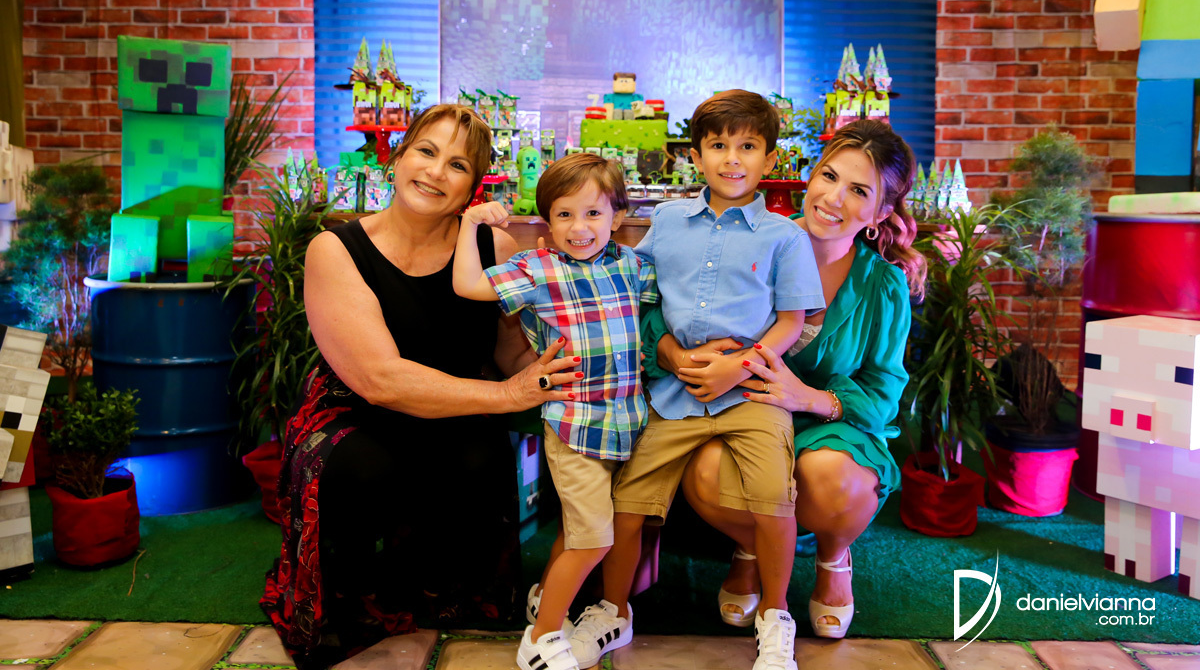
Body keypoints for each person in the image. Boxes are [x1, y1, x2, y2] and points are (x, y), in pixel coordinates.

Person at [261, 104, 580, 670]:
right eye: (426, 152)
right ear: (398, 157)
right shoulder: (335, 249)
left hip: (456, 404)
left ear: (473, 186)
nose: (435, 172)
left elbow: (509, 353)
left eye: (457, 164)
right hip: (353, 409)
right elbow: (380, 380)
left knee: (481, 458)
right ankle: (352, 597)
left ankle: (440, 589)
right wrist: (507, 396)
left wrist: (569, 363)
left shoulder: (494, 249)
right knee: (363, 469)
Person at [570, 90, 825, 670]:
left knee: (773, 498)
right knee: (627, 499)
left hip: (751, 391)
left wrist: (742, 364)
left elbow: (792, 320)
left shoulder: (785, 237)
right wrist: (666, 352)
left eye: (748, 146)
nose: (732, 159)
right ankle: (613, 610)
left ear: (769, 158)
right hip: (673, 392)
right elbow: (642, 296)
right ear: (696, 155)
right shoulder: (667, 221)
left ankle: (775, 616)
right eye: (718, 146)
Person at [661, 118, 926, 641]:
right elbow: (666, 306)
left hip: (829, 428)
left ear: (881, 213)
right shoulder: (750, 239)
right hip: (742, 416)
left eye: (859, 191)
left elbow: (884, 395)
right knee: (708, 474)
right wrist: (675, 354)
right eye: (829, 176)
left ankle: (833, 556)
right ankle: (752, 545)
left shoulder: (884, 285)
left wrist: (809, 397)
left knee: (828, 477)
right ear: (810, 175)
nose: (833, 198)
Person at [452, 152, 659, 670]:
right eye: (564, 214)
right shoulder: (537, 268)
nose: (579, 227)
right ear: (547, 221)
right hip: (574, 425)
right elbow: (467, 286)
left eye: (593, 213)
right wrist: (470, 224)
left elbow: (657, 325)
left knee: (582, 529)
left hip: (630, 423)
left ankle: (547, 597)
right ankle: (540, 639)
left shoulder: (635, 265)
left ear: (618, 217)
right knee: (592, 539)